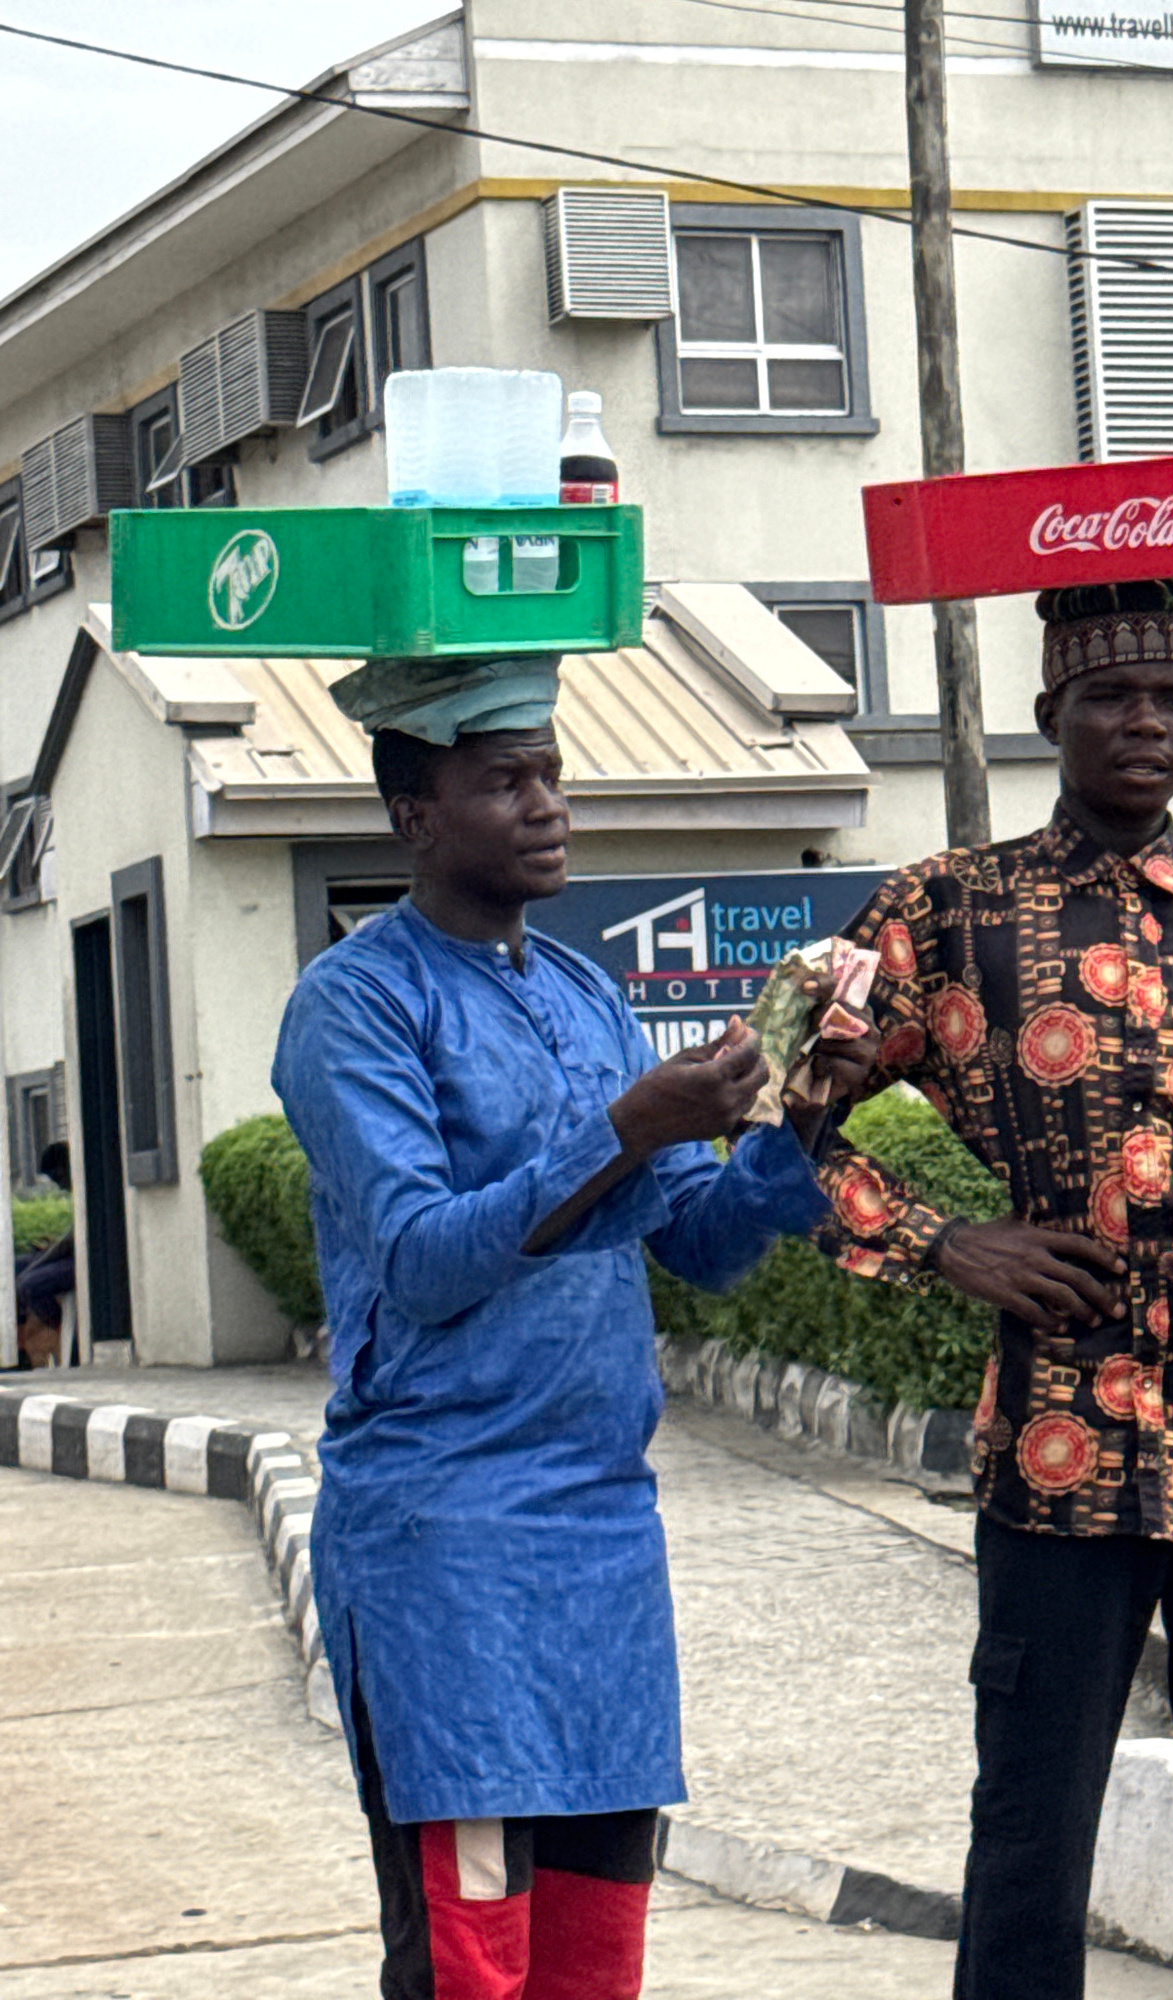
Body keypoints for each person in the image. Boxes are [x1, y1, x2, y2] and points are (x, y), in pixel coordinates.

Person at [273, 652, 876, 2000]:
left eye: (551, 775)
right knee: (473, 1960)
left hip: (604, 1538)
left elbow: (697, 1239)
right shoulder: (354, 1004)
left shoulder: (586, 993)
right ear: (414, 815)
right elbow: (421, 1259)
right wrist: (627, 1127)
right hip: (447, 1541)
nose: (548, 805)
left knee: (595, 1959)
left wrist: (803, 1117)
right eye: (506, 782)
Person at [817, 580, 1173, 2000]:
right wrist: (945, 1240)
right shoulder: (944, 911)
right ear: (1048, 714)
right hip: (1058, 1447)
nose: (1147, 724)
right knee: (1029, 1845)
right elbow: (772, 1101)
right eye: (1112, 698)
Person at [13, 1141, 75, 1369]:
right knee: (14, 1268)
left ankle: (58, 1335)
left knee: (29, 1284)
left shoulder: (88, 1188)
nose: (60, 1186)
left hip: (81, 1260)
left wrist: (41, 1261)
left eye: (58, 1178)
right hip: (68, 1253)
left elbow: (70, 1244)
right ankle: (17, 1345)